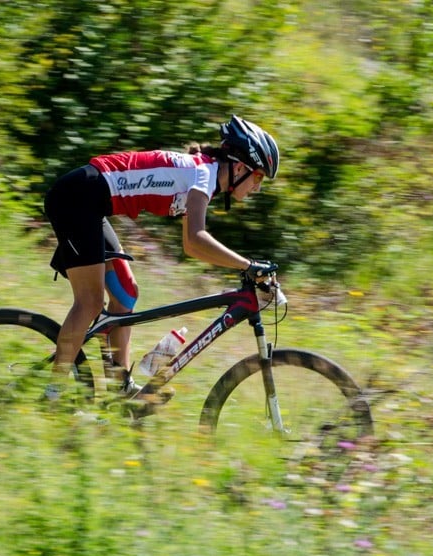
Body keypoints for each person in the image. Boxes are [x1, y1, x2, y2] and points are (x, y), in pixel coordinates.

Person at [42, 115, 279, 399]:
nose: (258, 187)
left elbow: (191, 243)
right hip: (77, 198)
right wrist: (248, 265)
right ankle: (52, 394)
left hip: (89, 202)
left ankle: (119, 390)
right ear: (241, 167)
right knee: (89, 302)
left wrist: (245, 266)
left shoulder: (204, 176)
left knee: (126, 294)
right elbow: (194, 241)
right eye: (258, 177)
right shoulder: (203, 174)